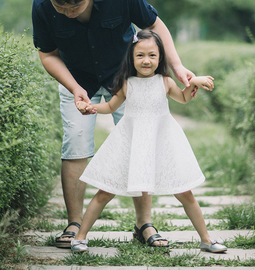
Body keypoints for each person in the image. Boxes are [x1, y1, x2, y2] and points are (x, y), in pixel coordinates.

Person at [32, 0, 195, 248]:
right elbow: (48, 53)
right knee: (75, 143)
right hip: (75, 77)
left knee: (141, 142)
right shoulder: (42, 5)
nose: (68, 13)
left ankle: (144, 224)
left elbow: (154, 24)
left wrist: (177, 66)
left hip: (126, 76)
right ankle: (74, 224)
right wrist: (75, 88)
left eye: (74, 6)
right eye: (61, 8)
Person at [72, 30, 228, 253]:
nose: (146, 61)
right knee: (105, 190)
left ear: (160, 57)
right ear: (131, 58)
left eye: (152, 55)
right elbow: (110, 107)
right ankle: (80, 237)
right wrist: (91, 107)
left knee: (185, 191)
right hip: (131, 141)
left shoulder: (164, 81)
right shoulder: (127, 83)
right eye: (140, 55)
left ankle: (206, 239)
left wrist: (194, 82)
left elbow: (183, 98)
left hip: (161, 141)